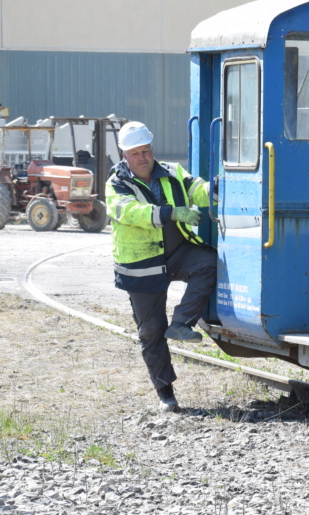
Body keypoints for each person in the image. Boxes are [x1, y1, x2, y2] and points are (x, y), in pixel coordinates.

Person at [106, 121, 216, 412]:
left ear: (152, 149)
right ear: (124, 155)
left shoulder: (173, 172)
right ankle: (165, 393)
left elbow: (198, 189)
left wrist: (218, 188)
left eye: (146, 150)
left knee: (207, 263)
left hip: (176, 252)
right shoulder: (116, 183)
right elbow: (129, 212)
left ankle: (181, 324)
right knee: (151, 331)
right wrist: (172, 213)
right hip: (142, 264)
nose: (142, 157)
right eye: (135, 153)